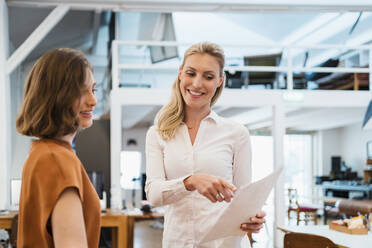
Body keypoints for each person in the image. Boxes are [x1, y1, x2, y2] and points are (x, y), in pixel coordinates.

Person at [145, 42, 266, 248]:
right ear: (180, 74)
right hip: (177, 243)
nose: (197, 83)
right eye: (191, 73)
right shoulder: (157, 133)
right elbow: (154, 194)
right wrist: (190, 182)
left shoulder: (236, 133)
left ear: (219, 81)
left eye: (208, 77)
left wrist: (252, 218)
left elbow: (242, 199)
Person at [16, 48, 100, 247]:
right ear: (56, 96)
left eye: (93, 90)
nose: (93, 100)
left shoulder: (41, 152)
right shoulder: (57, 160)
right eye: (81, 91)